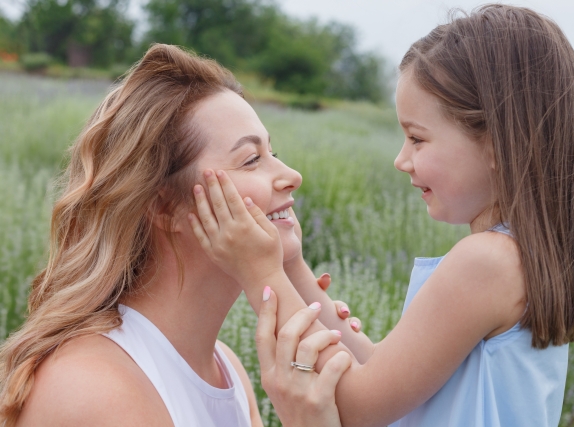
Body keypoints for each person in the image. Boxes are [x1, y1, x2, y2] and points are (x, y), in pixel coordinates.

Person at [188, 4, 574, 426]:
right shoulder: (516, 258)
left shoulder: (487, 262)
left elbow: (357, 407)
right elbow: (382, 375)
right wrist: (292, 268)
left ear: (495, 143)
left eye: (417, 138)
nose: (402, 160)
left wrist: (259, 272)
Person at [0, 44, 355, 427]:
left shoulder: (227, 371)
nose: (292, 175)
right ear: (165, 207)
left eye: (273, 152)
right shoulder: (94, 386)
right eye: (251, 159)